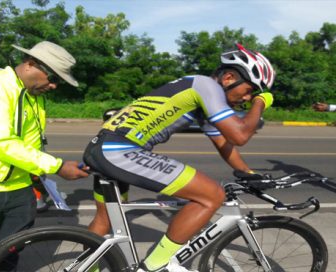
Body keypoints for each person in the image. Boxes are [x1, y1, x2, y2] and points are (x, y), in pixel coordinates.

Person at [83, 43, 275, 272]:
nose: (247, 98)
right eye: (249, 89)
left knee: (105, 220)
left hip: (101, 148)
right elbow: (241, 134)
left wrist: (248, 173)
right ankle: (154, 267)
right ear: (229, 77)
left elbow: (225, 143)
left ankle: (84, 268)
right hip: (119, 150)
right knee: (212, 195)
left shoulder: (200, 92)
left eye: (253, 94)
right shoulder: (206, 86)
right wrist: (261, 102)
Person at [0, 41, 89, 271]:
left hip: (17, 192)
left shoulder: (35, 97)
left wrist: (35, 171)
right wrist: (56, 166)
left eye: (58, 81)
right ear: (31, 64)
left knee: (5, 257)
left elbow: (29, 143)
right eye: (53, 78)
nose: (53, 86)